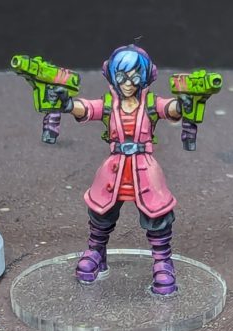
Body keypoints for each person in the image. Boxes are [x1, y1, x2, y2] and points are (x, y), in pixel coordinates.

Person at [49, 45, 190, 296]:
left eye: (134, 77)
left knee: (158, 217)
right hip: (114, 171)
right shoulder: (109, 104)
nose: (127, 83)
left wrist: (183, 104)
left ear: (145, 76)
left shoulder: (149, 103)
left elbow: (169, 109)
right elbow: (87, 108)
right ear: (113, 76)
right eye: (122, 76)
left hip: (144, 171)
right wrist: (67, 103)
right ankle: (96, 252)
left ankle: (163, 263)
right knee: (100, 213)